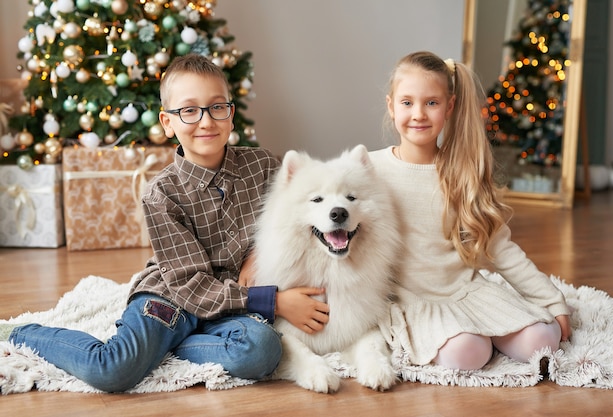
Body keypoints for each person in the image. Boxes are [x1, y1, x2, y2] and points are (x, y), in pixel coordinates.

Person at [0, 54, 329, 392]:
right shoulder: (161, 194)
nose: (206, 121)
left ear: (231, 114)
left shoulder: (262, 166)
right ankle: (22, 332)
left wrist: (256, 253)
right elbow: (190, 285)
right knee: (113, 370)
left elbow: (290, 215)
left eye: (217, 107)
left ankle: (170, 348)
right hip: (173, 298)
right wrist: (273, 301)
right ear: (167, 122)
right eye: (189, 110)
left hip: (230, 306)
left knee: (262, 350)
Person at [369, 51, 571, 370]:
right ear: (391, 105)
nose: (418, 114)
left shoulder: (462, 170)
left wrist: (551, 299)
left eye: (431, 103)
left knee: (544, 339)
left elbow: (500, 247)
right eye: (407, 102)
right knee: (468, 353)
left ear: (449, 107)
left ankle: (490, 332)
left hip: (464, 291)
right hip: (413, 300)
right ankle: (477, 340)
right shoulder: (369, 168)